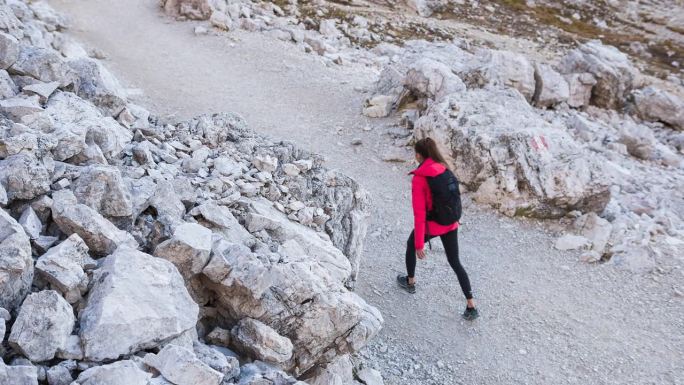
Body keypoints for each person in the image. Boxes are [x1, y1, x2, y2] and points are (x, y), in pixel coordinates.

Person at [396, 137, 479, 321]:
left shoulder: (420, 178)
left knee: (410, 244)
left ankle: (410, 282)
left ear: (418, 155)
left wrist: (419, 244)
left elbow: (419, 214)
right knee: (455, 262)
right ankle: (471, 304)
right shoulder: (443, 168)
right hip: (451, 223)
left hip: (432, 225)